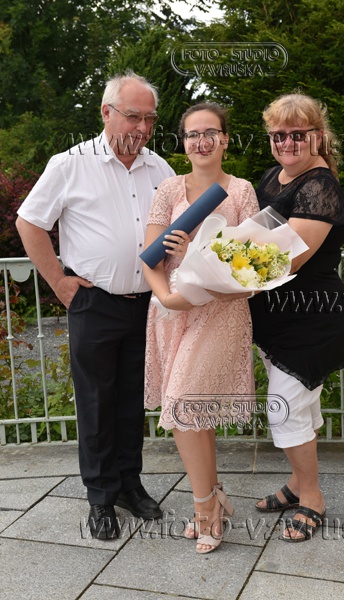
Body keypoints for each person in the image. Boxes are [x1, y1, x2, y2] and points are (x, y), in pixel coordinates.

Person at [16, 70, 175, 540]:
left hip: (146, 304)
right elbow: (29, 223)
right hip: (94, 303)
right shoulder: (70, 164)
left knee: (132, 401)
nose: (143, 128)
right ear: (106, 112)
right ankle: (101, 498)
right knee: (96, 402)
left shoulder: (160, 169)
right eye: (133, 116)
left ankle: (129, 484)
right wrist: (59, 282)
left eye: (150, 119)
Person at [142, 102, 259, 554]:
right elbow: (150, 257)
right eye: (193, 134)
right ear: (184, 142)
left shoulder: (242, 191)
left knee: (183, 405)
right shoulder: (168, 188)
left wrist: (196, 251)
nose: (202, 141)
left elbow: (251, 265)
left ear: (225, 139)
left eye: (211, 132)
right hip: (172, 312)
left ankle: (205, 509)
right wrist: (167, 297)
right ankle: (215, 496)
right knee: (196, 414)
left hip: (220, 312)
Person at [249, 92, 344, 542]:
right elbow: (252, 233)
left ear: (317, 136)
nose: (286, 143)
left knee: (285, 407)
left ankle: (312, 497)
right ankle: (296, 484)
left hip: (310, 317)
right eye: (278, 135)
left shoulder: (319, 186)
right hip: (276, 318)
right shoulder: (273, 177)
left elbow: (287, 258)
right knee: (303, 404)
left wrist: (222, 277)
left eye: (297, 134)